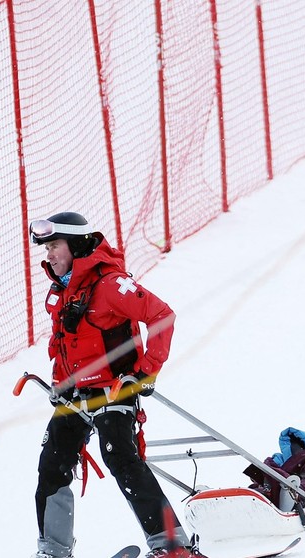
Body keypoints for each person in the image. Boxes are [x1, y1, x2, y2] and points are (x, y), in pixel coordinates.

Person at [28, 212, 203, 558]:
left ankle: (171, 546)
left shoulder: (110, 285)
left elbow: (161, 316)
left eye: (55, 246)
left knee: (120, 457)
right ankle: (52, 551)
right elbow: (63, 342)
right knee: (52, 465)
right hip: (76, 395)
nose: (49, 255)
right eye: (46, 248)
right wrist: (60, 381)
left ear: (76, 245)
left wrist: (145, 372)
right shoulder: (61, 291)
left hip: (114, 389)